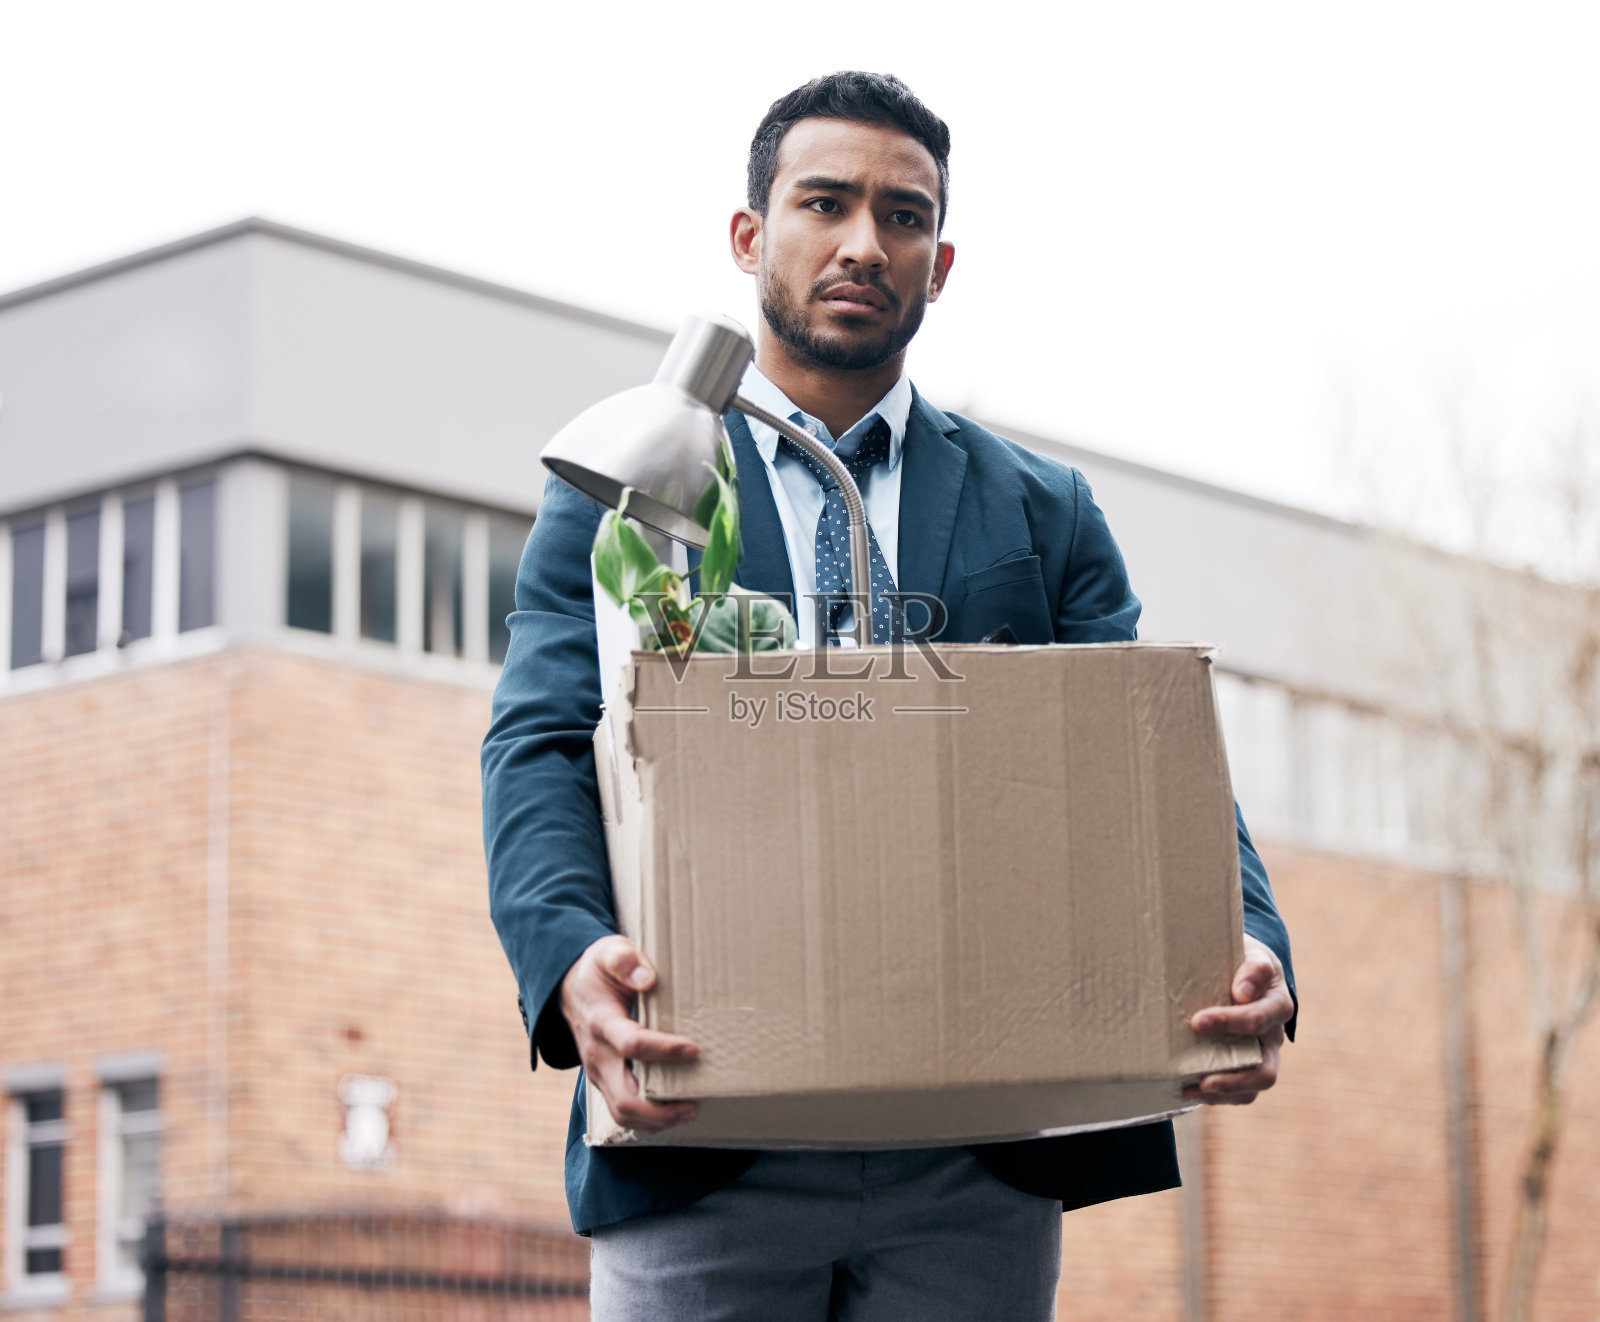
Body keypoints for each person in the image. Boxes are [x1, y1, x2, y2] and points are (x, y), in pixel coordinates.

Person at [483, 71, 1297, 1322]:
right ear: (749, 234)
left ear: (940, 261)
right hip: (700, 1123)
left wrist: (1243, 937)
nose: (865, 242)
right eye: (826, 202)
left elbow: (1150, 763)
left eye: (903, 216)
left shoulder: (1043, 511)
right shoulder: (632, 482)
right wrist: (568, 956)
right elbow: (541, 740)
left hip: (976, 1151)